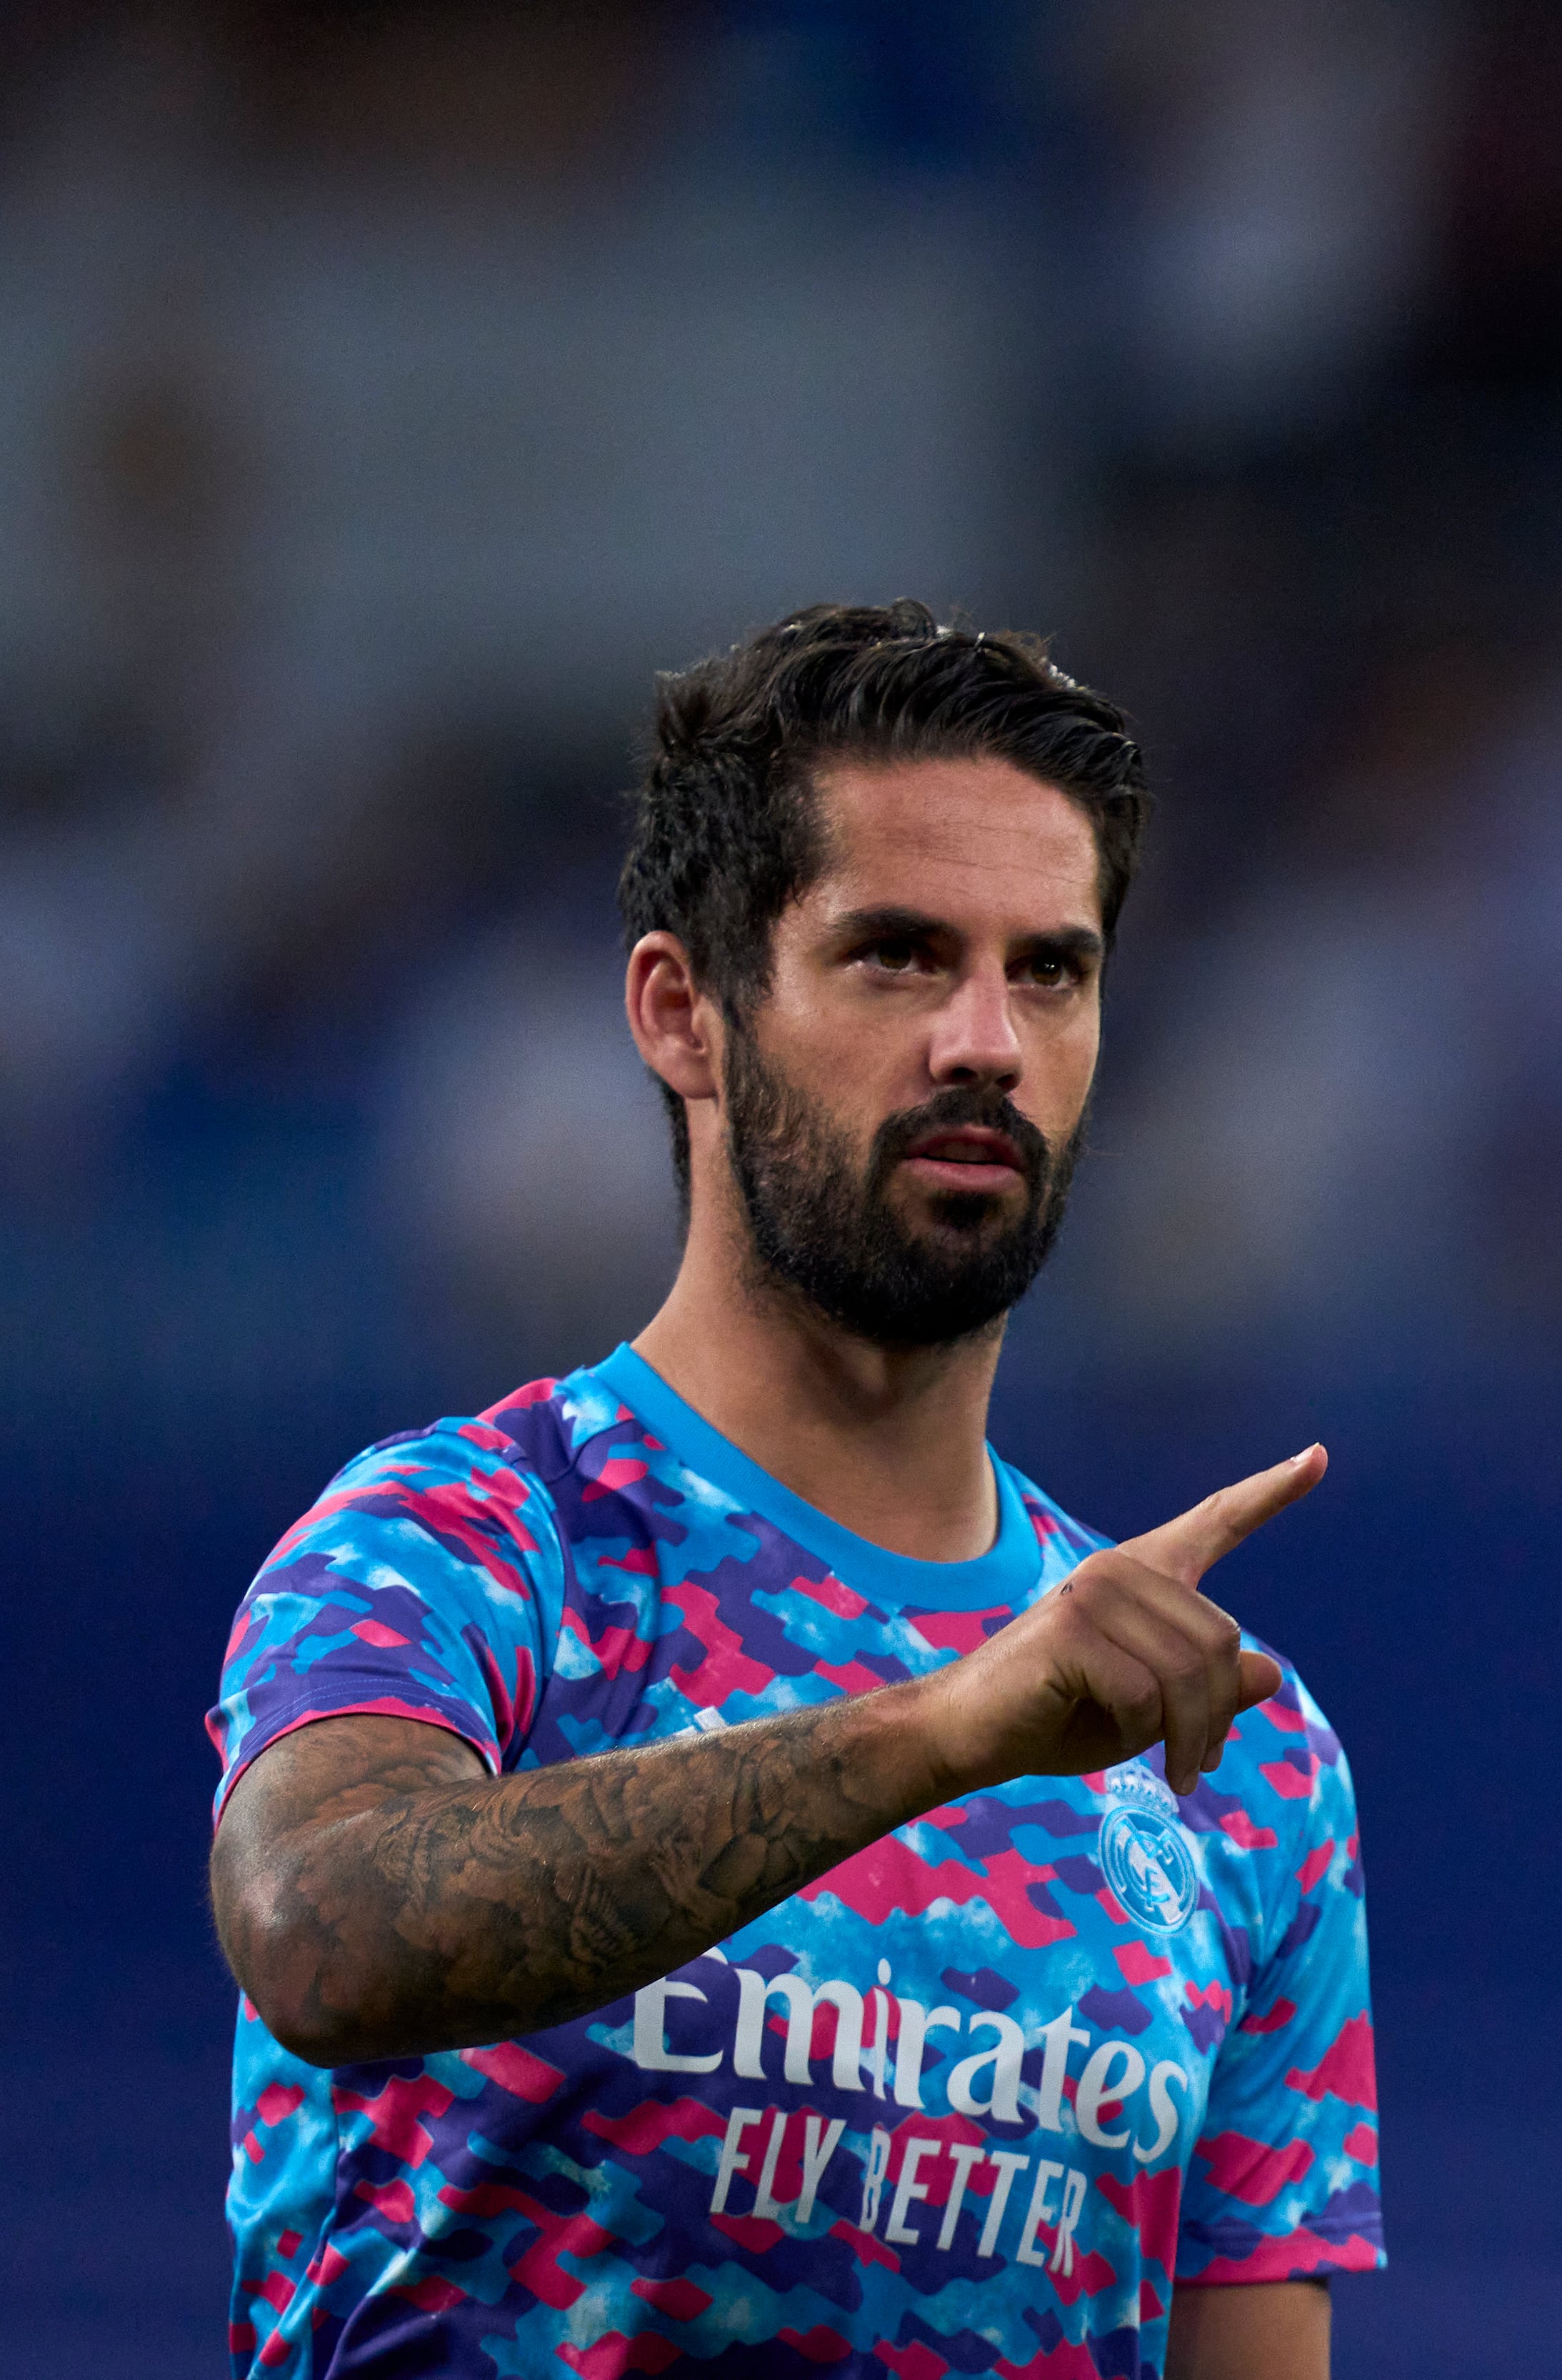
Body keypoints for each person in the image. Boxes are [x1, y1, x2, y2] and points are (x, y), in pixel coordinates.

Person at [208, 606, 1379, 2377]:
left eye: (1048, 970)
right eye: (899, 956)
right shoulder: (470, 1547)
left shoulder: (1235, 1750)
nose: (985, 1038)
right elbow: (325, 1933)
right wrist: (943, 1728)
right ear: (686, 1011)